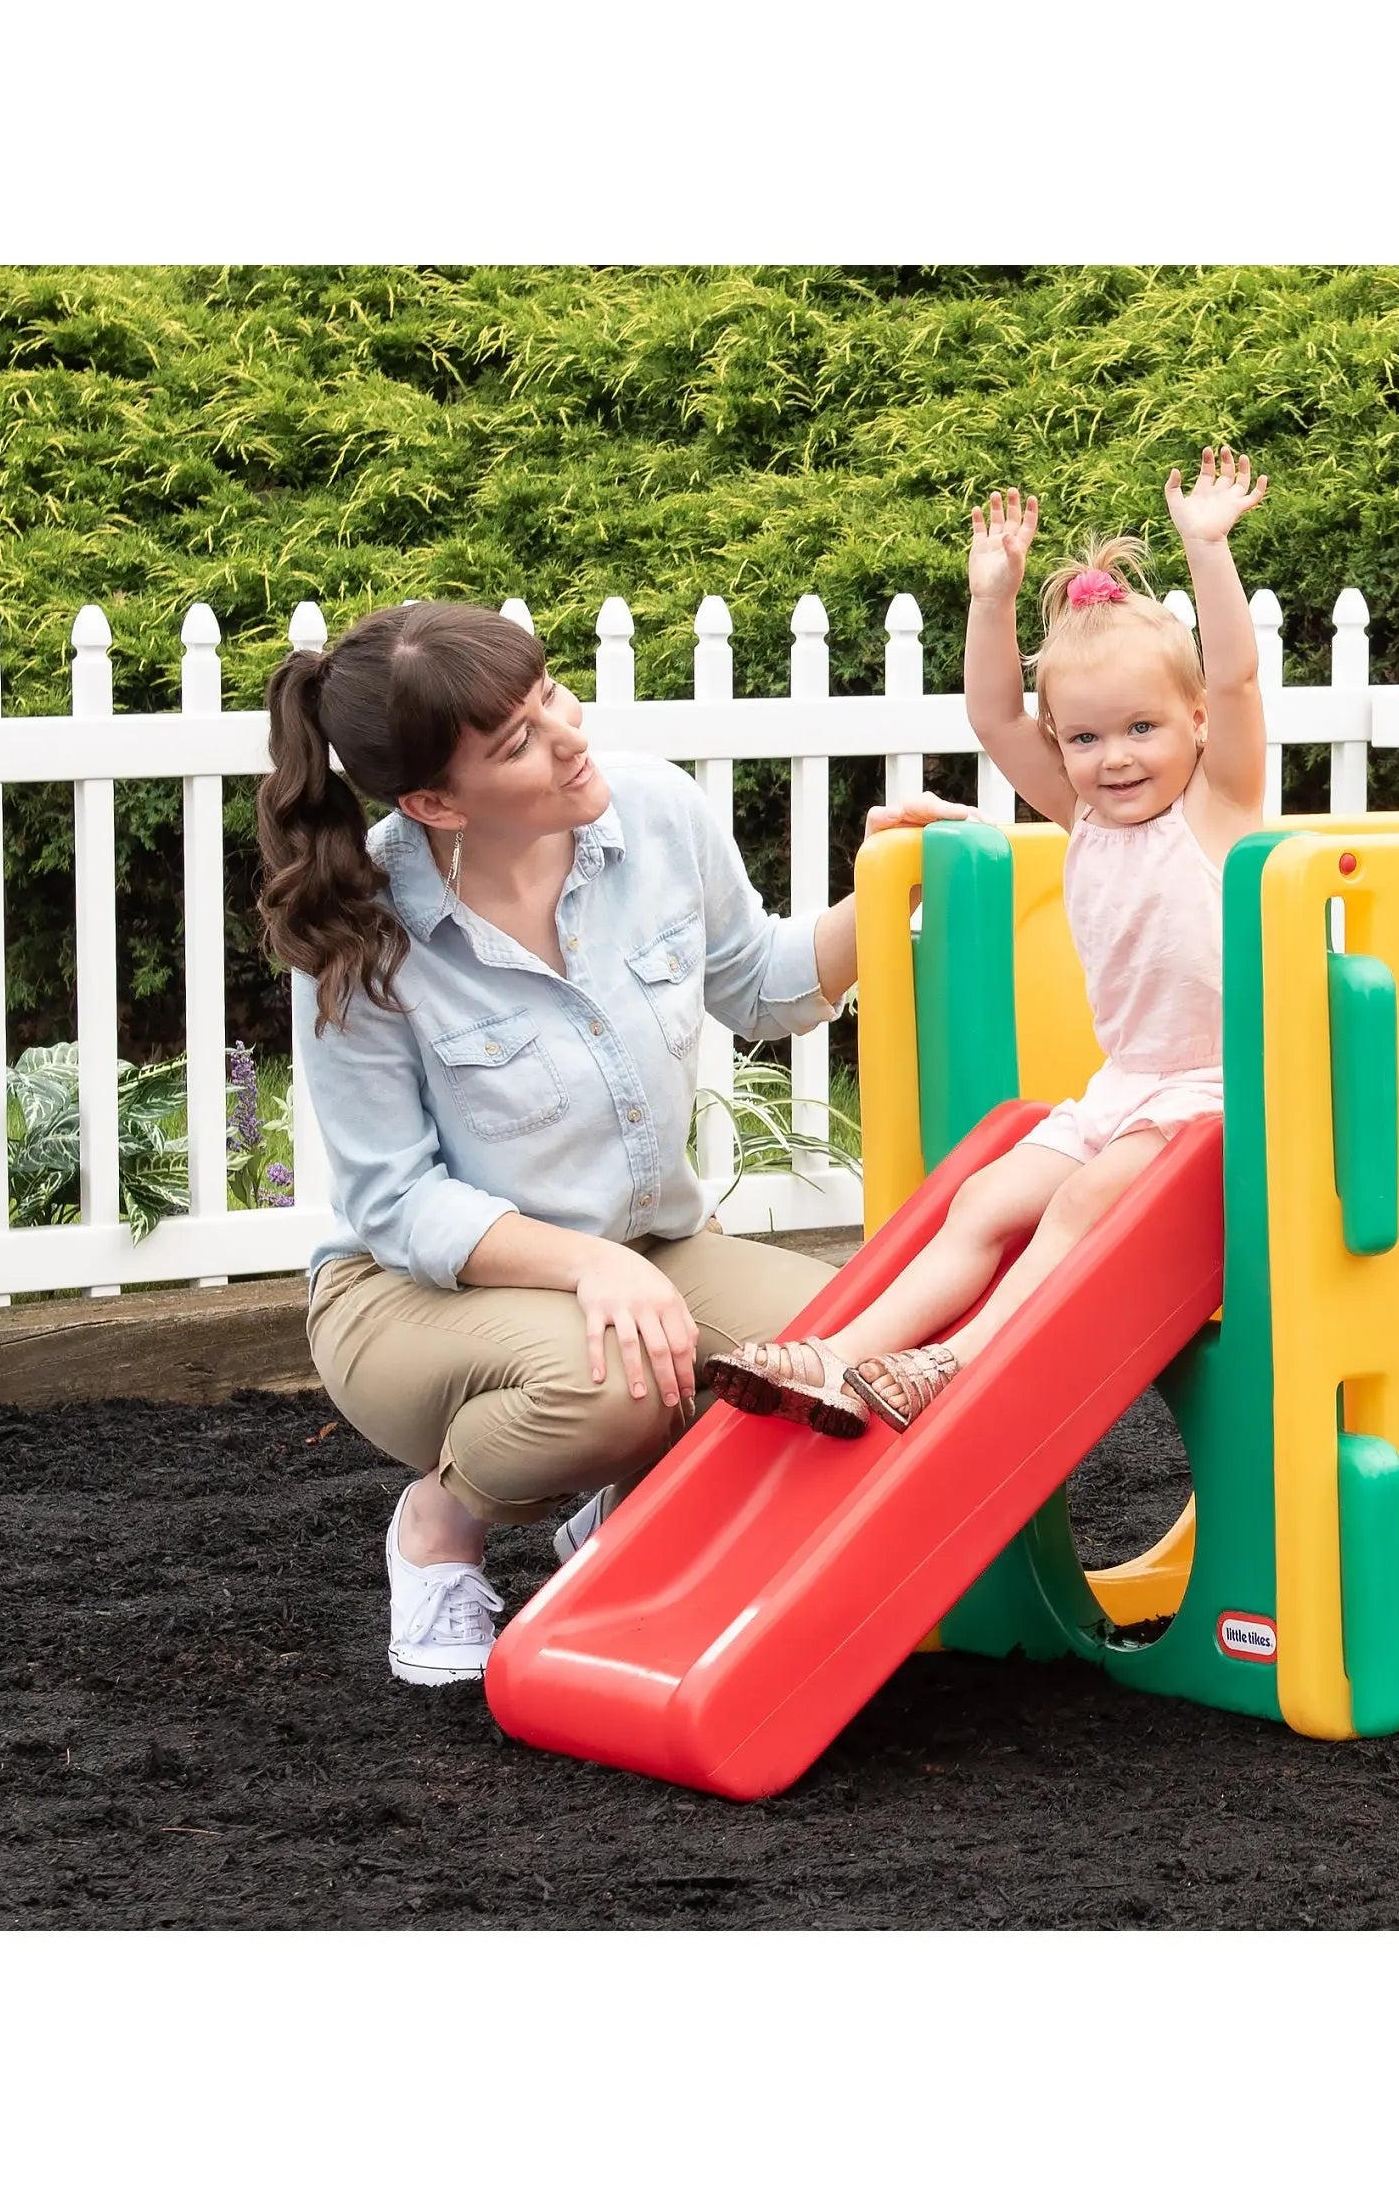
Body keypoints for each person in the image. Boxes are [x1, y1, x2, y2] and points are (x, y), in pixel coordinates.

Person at [256, 600, 968, 1685]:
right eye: (518, 742)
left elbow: (763, 985)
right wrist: (589, 1266)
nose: (568, 732)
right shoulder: (359, 932)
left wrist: (882, 881)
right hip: (414, 1296)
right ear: (436, 801)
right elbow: (396, 1204)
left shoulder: (656, 810)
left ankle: (635, 1526)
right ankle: (439, 1525)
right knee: (626, 1386)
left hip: (652, 1254)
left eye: (550, 695)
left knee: (848, 1362)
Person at [708, 446, 1269, 1436]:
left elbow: (1233, 676)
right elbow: (994, 714)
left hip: (1227, 1101)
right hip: (1127, 1090)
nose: (1115, 757)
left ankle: (953, 1363)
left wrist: (1207, 551)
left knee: (1078, 1204)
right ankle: (837, 1357)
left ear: (1188, 722)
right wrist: (992, 598)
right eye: (1086, 739)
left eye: (1142, 728)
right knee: (981, 1200)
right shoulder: (1085, 818)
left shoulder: (1217, 809)